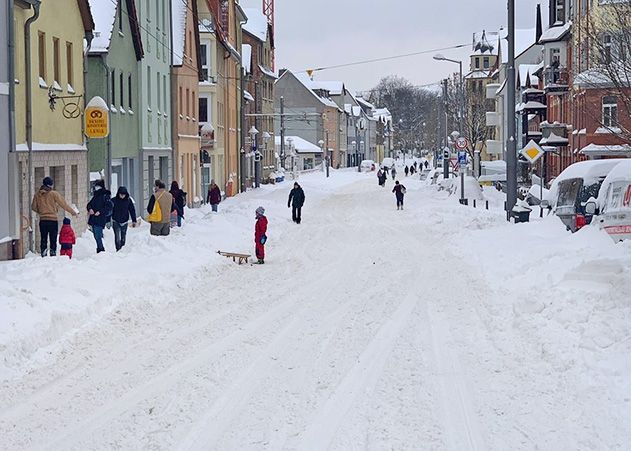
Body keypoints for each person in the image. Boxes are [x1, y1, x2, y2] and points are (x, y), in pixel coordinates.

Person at [31, 176, 77, 257]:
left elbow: (33, 207)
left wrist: (41, 212)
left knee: (43, 238)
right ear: (50, 185)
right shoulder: (54, 194)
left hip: (43, 220)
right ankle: (53, 252)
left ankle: (43, 252)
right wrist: (72, 212)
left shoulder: (37, 194)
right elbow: (63, 204)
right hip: (53, 220)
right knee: (53, 238)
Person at [87, 179, 113, 253]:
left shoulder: (105, 196)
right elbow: (89, 204)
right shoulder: (95, 196)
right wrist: (90, 209)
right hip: (93, 218)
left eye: (97, 186)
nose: (96, 188)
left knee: (98, 235)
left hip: (100, 218)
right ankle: (99, 249)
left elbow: (109, 207)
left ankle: (101, 249)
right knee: (95, 235)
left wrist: (100, 212)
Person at [111, 186, 137, 251]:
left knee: (123, 236)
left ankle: (122, 249)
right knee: (117, 237)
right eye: (121, 194)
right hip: (116, 221)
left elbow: (132, 210)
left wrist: (134, 220)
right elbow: (109, 210)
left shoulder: (128, 201)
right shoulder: (114, 200)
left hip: (125, 221)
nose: (122, 196)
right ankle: (118, 249)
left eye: (124, 194)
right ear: (118, 194)